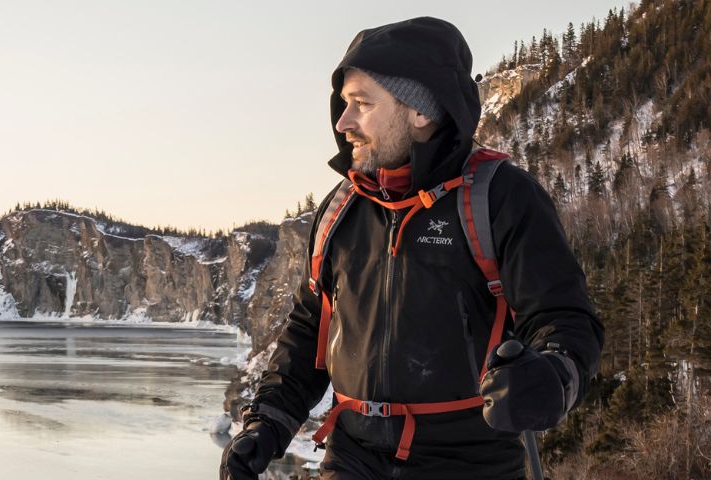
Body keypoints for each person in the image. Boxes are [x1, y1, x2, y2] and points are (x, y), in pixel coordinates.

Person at [220, 17, 604, 480]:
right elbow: (311, 330)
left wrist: (551, 376)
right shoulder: (343, 208)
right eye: (344, 104)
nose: (343, 123)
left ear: (421, 111)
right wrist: (268, 422)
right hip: (352, 460)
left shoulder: (500, 197)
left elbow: (564, 318)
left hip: (469, 463)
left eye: (362, 104)